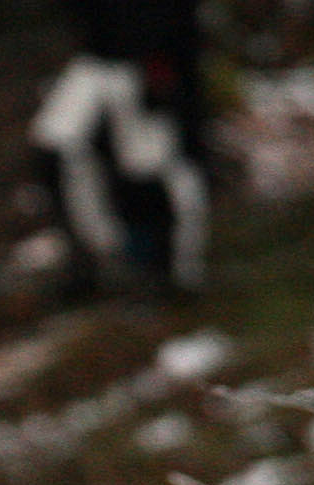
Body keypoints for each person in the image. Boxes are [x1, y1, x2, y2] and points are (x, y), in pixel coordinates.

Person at [35, 0, 208, 300]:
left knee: (156, 167)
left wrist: (162, 75)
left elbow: (178, 25)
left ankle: (179, 274)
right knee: (55, 145)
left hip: (152, 64)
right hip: (97, 61)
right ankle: (95, 258)